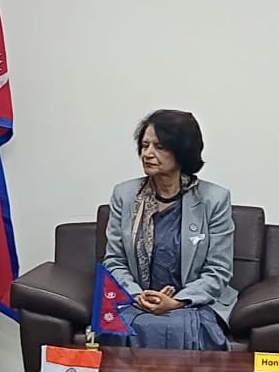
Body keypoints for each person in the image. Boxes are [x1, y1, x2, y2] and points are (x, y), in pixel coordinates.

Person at [101, 109, 237, 350]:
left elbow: (218, 270)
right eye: (144, 146)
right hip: (136, 300)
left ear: (182, 151)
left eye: (159, 147)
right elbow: (114, 261)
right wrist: (137, 295)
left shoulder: (214, 199)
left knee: (180, 328)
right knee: (119, 326)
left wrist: (177, 301)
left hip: (193, 303)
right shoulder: (125, 195)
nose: (147, 154)